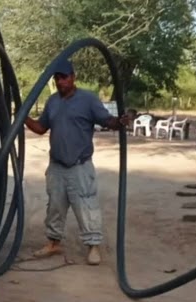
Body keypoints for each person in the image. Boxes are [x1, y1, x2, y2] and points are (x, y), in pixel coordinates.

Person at [24, 59, 131, 266]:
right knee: (55, 206)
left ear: (73, 77)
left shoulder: (88, 100)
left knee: (86, 205)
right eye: (57, 78)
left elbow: (106, 120)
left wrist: (119, 122)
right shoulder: (53, 101)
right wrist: (24, 117)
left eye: (64, 77)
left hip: (79, 166)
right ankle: (53, 243)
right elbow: (41, 127)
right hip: (57, 165)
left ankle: (93, 246)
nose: (61, 82)